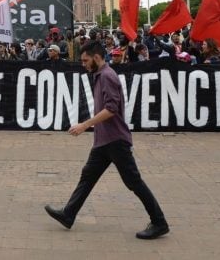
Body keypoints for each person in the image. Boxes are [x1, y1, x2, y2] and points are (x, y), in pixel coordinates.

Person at [44, 41, 169, 239]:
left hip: (116, 141)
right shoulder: (99, 75)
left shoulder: (108, 76)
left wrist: (85, 125)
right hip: (104, 141)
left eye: (85, 60)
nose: (83, 64)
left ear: (96, 57)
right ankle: (68, 214)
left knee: (133, 182)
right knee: (88, 176)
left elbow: (111, 109)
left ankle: (159, 222)